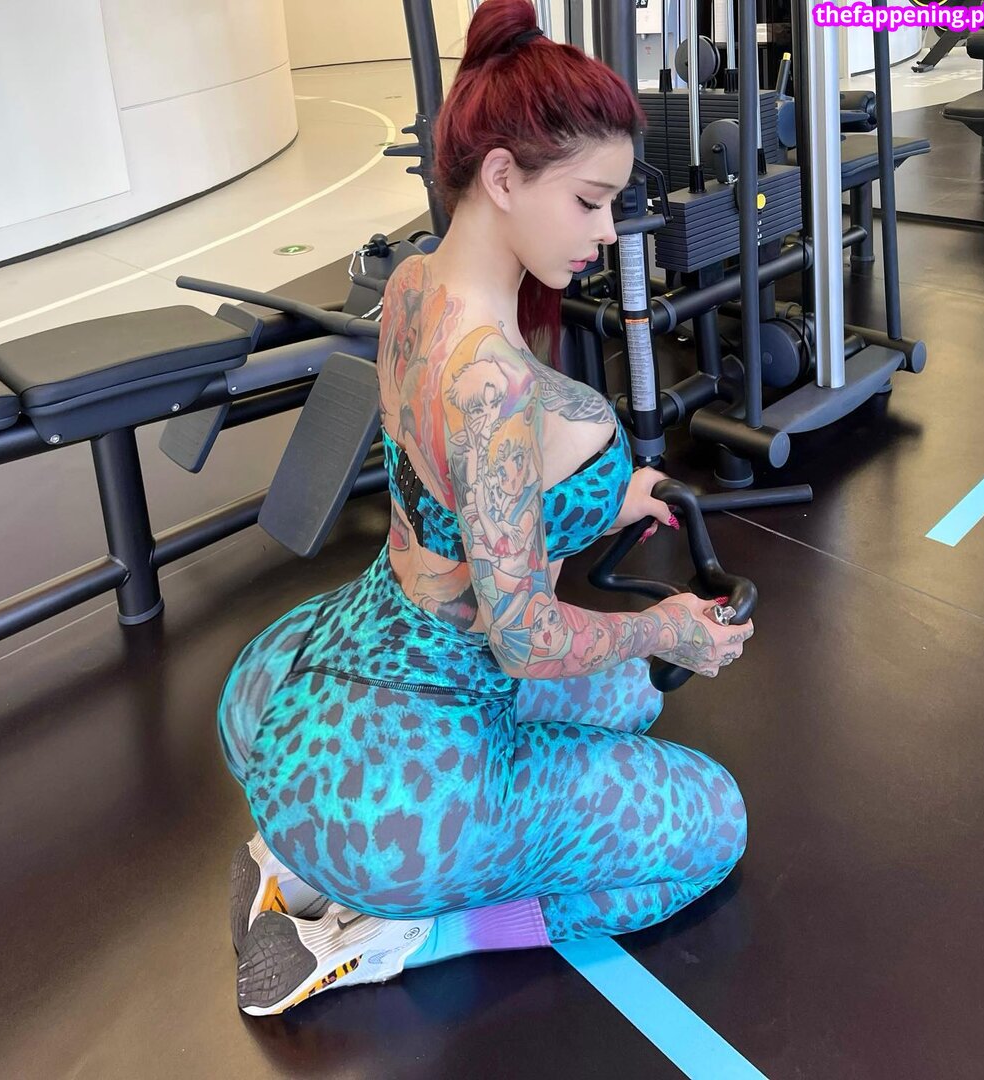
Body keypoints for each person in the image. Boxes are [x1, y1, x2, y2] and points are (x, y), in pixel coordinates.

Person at [219, 0, 752, 1018]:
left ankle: (294, 855)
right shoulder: (496, 384)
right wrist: (666, 626)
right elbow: (523, 638)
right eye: (589, 201)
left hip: (317, 683)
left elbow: (451, 496)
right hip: (420, 783)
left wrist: (605, 501)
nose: (608, 231)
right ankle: (391, 936)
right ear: (503, 176)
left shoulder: (415, 283)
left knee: (633, 700)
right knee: (714, 825)